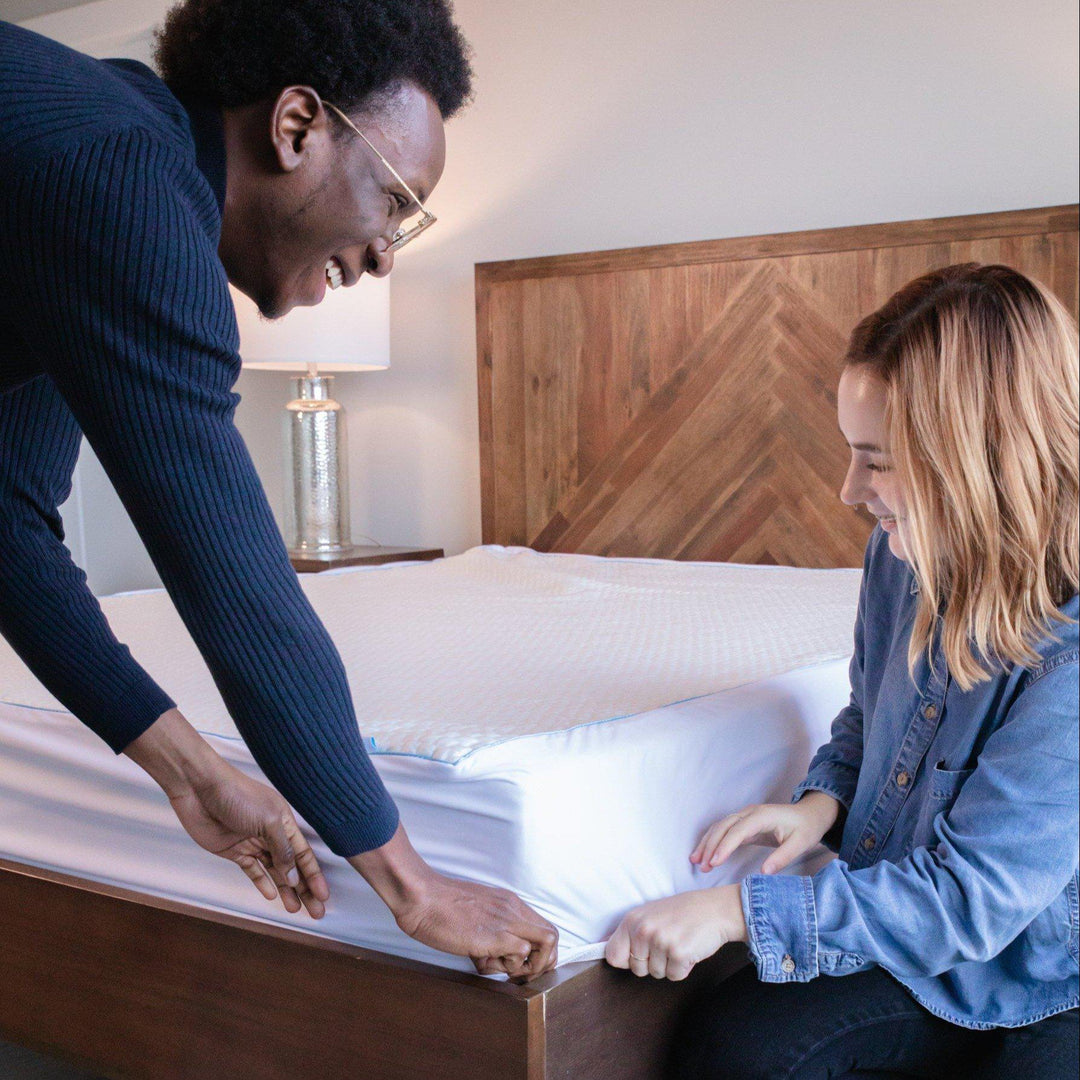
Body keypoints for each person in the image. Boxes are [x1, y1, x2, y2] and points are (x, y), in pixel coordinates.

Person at [0, 0, 557, 981]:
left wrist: (195, 773)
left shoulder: (95, 179)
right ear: (297, 126)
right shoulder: (123, 183)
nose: (387, 253)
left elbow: (8, 523)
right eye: (396, 200)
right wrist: (411, 884)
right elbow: (243, 593)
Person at [604, 264, 1079, 1075]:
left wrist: (735, 912)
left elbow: (974, 899)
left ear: (978, 458)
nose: (848, 490)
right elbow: (868, 715)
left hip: (1040, 977)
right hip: (911, 940)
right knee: (734, 1046)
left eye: (877, 461)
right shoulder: (898, 557)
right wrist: (821, 805)